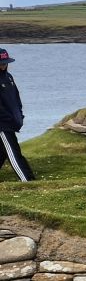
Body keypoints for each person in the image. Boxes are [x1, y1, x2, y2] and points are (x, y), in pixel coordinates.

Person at [0, 49, 34, 182]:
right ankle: (27, 180)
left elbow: (16, 98)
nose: (3, 65)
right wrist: (8, 119)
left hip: (11, 121)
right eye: (1, 63)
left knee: (2, 152)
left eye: (5, 63)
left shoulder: (9, 77)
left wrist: (19, 115)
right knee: (14, 152)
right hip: (3, 124)